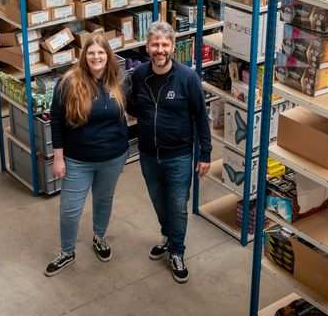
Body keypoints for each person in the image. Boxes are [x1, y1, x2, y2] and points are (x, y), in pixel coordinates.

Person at [127, 21, 212, 283]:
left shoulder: (188, 78)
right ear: (147, 47)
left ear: (173, 47)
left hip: (179, 155)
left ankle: (177, 251)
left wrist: (205, 153)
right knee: (159, 203)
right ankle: (168, 235)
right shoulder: (139, 76)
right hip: (148, 154)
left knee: (178, 206)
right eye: (155, 44)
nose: (160, 50)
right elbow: (132, 108)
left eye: (165, 45)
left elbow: (201, 117)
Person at [45, 35, 129, 276]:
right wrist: (58, 158)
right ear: (84, 56)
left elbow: (128, 113)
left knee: (104, 200)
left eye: (101, 53)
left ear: (108, 56)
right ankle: (67, 251)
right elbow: (57, 121)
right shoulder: (68, 83)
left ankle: (99, 237)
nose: (96, 57)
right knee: (70, 208)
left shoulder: (119, 81)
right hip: (77, 160)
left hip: (112, 157)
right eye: (91, 53)